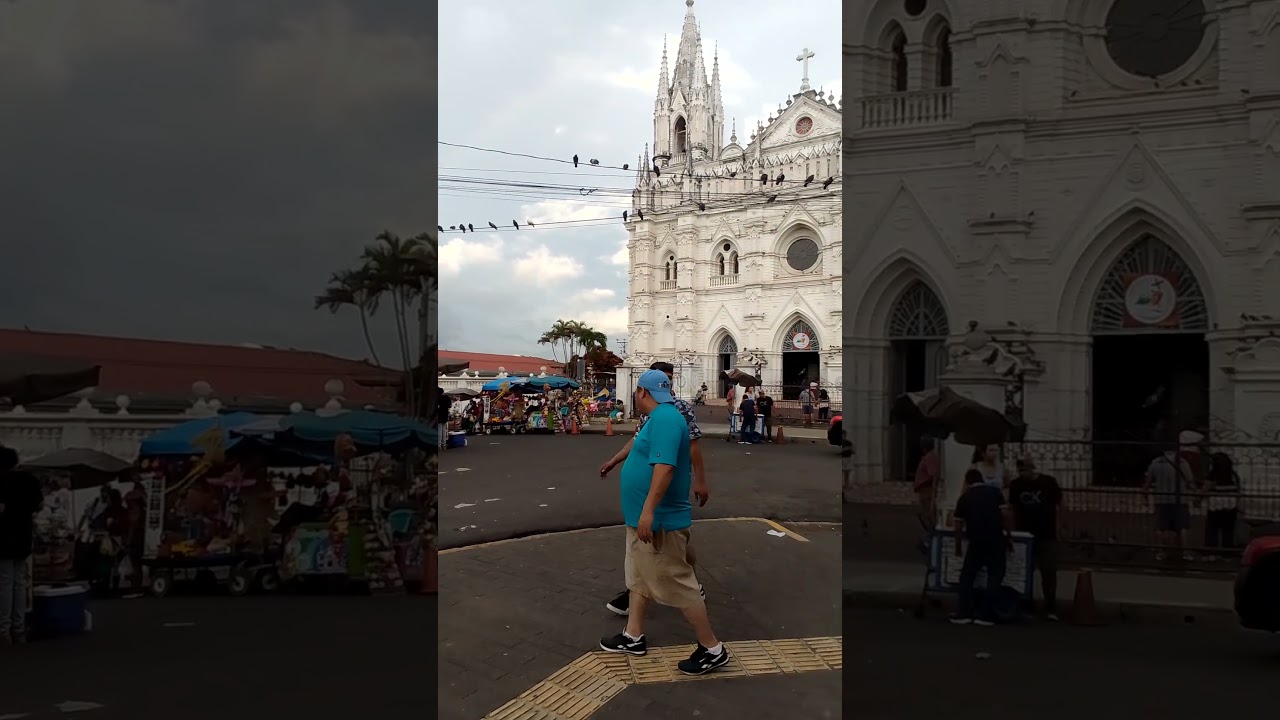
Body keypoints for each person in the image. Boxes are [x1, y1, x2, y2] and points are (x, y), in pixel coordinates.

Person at [598, 369, 731, 675]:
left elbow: (665, 467)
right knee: (640, 578)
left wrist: (648, 512)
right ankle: (633, 636)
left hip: (658, 522)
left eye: (636, 391)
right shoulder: (656, 419)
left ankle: (712, 648)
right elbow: (639, 448)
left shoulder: (668, 419)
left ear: (642, 392)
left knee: (678, 583)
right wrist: (615, 461)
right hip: (643, 520)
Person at [600, 362, 708, 616]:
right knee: (659, 550)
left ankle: (706, 636)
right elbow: (638, 440)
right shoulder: (650, 412)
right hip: (647, 495)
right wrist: (615, 460)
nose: (666, 387)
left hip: (663, 495)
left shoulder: (675, 410)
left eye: (669, 381)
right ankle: (634, 624)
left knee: (666, 547)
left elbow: (692, 447)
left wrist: (700, 480)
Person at [950, 468, 1011, 626]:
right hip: (995, 540)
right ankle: (986, 614)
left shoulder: (965, 497)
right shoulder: (995, 492)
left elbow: (957, 525)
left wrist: (958, 546)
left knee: (967, 576)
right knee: (995, 576)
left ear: (967, 481)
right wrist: (1008, 537)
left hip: (976, 541)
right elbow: (1006, 516)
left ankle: (964, 612)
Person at [1009, 457, 1063, 620]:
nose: (1022, 473)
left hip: (1046, 533)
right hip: (1025, 534)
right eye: (1020, 471)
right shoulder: (1016, 485)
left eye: (1025, 469)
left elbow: (1060, 504)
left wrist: (1060, 526)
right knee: (1025, 570)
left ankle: (1050, 604)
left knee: (1049, 570)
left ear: (1032, 468)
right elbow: (1012, 508)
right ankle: (1026, 602)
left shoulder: (1048, 482)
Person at [0, 446, 43, 644]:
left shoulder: (1, 480)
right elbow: (38, 505)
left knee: (5, 583)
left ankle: (4, 629)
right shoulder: (29, 480)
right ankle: (19, 629)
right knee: (19, 582)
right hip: (23, 534)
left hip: (3, 535)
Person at [1143, 437, 1194, 562]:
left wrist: (1145, 496)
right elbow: (1190, 482)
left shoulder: (1156, 462)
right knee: (1183, 527)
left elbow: (1147, 483)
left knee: (1161, 528)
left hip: (1162, 499)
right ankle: (1186, 553)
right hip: (1180, 500)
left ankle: (1161, 552)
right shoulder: (1182, 462)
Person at [1204, 452, 1240, 550]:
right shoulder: (1233, 475)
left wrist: (1199, 497)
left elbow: (1206, 488)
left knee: (1212, 530)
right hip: (1230, 505)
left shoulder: (1213, 475)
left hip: (1215, 505)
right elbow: (1238, 490)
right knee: (1228, 530)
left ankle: (1211, 552)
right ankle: (1227, 553)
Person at [913, 437, 941, 534]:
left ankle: (932, 534)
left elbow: (933, 475)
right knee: (925, 514)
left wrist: (933, 490)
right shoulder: (929, 456)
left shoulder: (930, 457)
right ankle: (930, 534)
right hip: (924, 490)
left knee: (928, 514)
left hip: (927, 490)